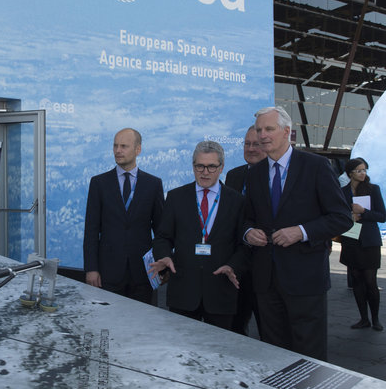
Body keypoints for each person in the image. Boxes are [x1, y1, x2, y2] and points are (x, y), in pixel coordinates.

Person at [243, 106, 352, 361]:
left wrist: (301, 231)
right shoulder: (255, 173)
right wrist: (248, 232)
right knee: (273, 352)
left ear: (286, 132)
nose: (262, 135)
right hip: (266, 281)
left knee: (309, 356)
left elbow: (341, 217)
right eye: (259, 130)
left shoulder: (316, 166)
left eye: (269, 129)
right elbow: (247, 217)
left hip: (305, 280)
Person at [149, 141, 249, 329]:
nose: (205, 172)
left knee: (219, 353)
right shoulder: (176, 197)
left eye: (211, 166)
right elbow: (163, 237)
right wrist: (164, 256)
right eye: (199, 166)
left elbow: (243, 245)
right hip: (184, 291)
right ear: (193, 166)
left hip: (221, 292)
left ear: (221, 168)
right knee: (181, 352)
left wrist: (232, 265)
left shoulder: (236, 201)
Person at [83, 128, 164, 305]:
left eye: (124, 146)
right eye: (115, 146)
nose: (118, 150)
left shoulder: (153, 184)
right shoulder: (99, 183)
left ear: (138, 150)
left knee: (141, 326)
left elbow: (161, 232)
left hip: (143, 273)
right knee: (107, 325)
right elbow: (91, 230)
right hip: (107, 273)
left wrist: (161, 265)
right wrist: (91, 269)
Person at [224, 126, 266, 336]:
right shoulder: (234, 175)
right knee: (236, 328)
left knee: (271, 331)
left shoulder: (274, 177)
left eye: (256, 144)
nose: (250, 149)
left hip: (267, 267)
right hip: (238, 269)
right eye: (247, 144)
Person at [340, 158, 386, 331]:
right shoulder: (342, 191)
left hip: (369, 240)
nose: (363, 173)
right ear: (350, 172)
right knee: (357, 280)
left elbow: (382, 216)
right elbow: (336, 213)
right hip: (351, 238)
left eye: (365, 170)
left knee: (370, 281)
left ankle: (375, 319)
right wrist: (348, 216)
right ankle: (363, 318)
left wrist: (363, 212)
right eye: (359, 170)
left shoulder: (373, 189)